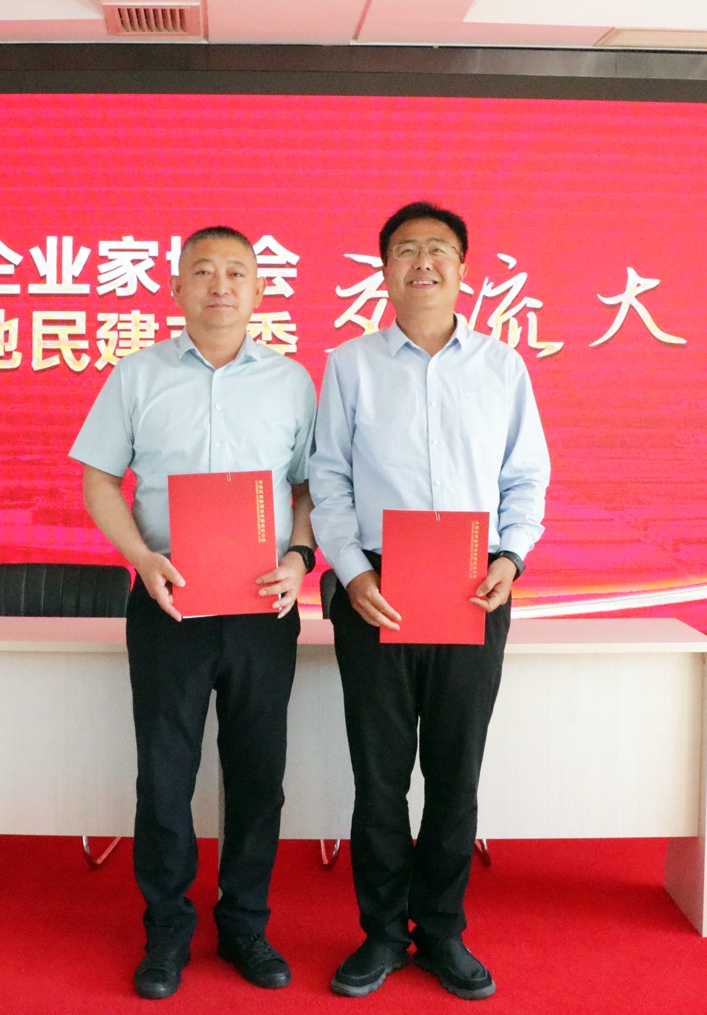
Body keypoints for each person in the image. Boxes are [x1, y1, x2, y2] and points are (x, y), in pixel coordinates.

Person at [309, 201, 550, 1000]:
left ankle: (442, 929)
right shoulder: (349, 365)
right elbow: (328, 479)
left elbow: (526, 477)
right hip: (374, 585)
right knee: (379, 774)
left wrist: (511, 557)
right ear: (384, 270)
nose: (423, 262)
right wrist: (352, 573)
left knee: (455, 770)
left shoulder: (502, 367)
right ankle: (382, 933)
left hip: (473, 582)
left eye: (438, 249)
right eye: (406, 250)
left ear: (462, 269)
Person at [71, 226, 319, 1000]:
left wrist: (299, 558)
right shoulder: (137, 375)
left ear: (259, 290)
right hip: (167, 599)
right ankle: (168, 929)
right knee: (165, 774)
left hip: (262, 604)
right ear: (176, 287)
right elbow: (99, 478)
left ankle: (245, 922)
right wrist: (140, 558)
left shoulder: (291, 383)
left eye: (237, 272)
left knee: (258, 773)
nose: (220, 284)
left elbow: (309, 487)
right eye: (203, 271)